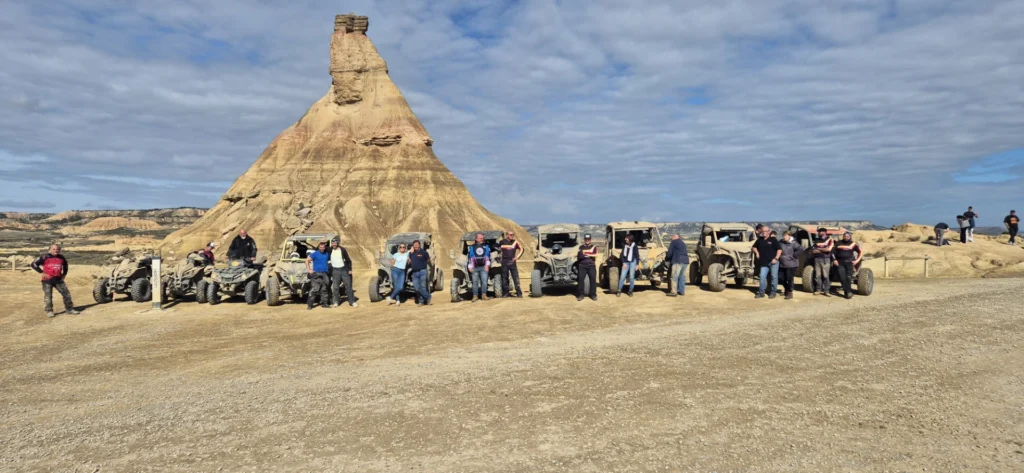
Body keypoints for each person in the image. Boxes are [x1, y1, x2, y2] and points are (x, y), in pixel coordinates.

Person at [31, 244, 80, 318]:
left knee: (66, 294)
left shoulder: (61, 257)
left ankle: (69, 309)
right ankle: (49, 311)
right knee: (48, 296)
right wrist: (42, 272)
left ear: (59, 250)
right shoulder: (44, 257)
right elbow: (33, 264)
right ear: (50, 249)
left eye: (57, 249)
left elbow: (65, 265)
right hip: (47, 280)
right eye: (54, 249)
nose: (55, 250)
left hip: (58, 280)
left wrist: (64, 274)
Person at [752, 226, 781, 299]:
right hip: (763, 263)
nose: (764, 232)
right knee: (762, 277)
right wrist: (757, 253)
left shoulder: (773, 239)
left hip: (773, 262)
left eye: (766, 231)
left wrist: (776, 258)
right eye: (763, 231)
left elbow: (779, 249)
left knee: (774, 277)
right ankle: (761, 293)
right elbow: (754, 247)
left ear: (769, 231)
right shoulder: (760, 240)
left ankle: (773, 292)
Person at [832, 232, 862, 299]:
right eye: (844, 236)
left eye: (847, 236)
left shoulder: (853, 244)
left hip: (849, 263)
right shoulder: (838, 243)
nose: (846, 237)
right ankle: (848, 292)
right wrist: (834, 260)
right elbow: (832, 252)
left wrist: (856, 260)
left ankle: (847, 293)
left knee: (848, 278)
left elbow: (860, 252)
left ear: (850, 237)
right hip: (840, 263)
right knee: (842, 278)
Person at [329, 237, 356, 308]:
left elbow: (348, 260)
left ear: (337, 243)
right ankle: (336, 302)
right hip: (335, 270)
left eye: (335, 243)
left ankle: (352, 301)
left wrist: (349, 269)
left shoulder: (342, 250)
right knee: (335, 287)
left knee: (348, 286)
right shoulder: (329, 250)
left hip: (344, 270)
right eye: (332, 243)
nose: (334, 244)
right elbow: (321, 249)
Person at [305, 240, 331, 310]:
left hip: (324, 274)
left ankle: (324, 303)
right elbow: (307, 260)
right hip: (316, 274)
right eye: (321, 247)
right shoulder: (315, 254)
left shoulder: (327, 254)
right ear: (319, 247)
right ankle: (310, 305)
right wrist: (309, 269)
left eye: (323, 247)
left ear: (325, 247)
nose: (322, 248)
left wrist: (325, 240)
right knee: (315, 290)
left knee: (324, 289)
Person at [498, 231, 525, 298]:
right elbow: (497, 246)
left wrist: (517, 257)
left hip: (512, 262)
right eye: (510, 235)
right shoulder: (502, 242)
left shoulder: (515, 242)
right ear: (507, 235)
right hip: (504, 262)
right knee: (505, 278)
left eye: (513, 234)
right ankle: (506, 293)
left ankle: (519, 293)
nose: (512, 236)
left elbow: (521, 249)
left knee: (515, 278)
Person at [778, 231, 803, 300]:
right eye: (783, 235)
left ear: (789, 236)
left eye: (785, 235)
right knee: (781, 278)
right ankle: (786, 289)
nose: (784, 237)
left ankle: (789, 292)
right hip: (782, 263)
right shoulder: (781, 242)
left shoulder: (793, 243)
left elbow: (800, 249)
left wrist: (794, 256)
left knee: (789, 279)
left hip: (791, 264)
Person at [467, 233, 491, 302]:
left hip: (484, 267)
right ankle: (475, 296)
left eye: (482, 238)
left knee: (484, 281)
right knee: (475, 282)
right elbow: (469, 257)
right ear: (476, 239)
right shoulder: (471, 247)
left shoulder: (486, 246)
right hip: (474, 267)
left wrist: (487, 265)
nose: (482, 239)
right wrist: (470, 266)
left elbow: (488, 257)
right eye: (480, 238)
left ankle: (484, 295)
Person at [810, 227, 834, 296]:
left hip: (825, 259)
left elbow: (828, 249)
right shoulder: (817, 240)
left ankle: (826, 290)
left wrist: (819, 249)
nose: (818, 233)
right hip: (817, 259)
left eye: (820, 232)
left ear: (824, 232)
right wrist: (823, 249)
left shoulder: (830, 239)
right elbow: (813, 250)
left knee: (825, 275)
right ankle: (818, 289)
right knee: (817, 275)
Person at [408, 240, 432, 305]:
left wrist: (422, 265)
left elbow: (428, 260)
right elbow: (409, 261)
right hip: (415, 272)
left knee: (423, 286)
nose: (415, 246)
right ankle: (428, 296)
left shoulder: (424, 252)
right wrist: (409, 253)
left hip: (422, 271)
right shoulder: (411, 253)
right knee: (416, 287)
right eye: (414, 245)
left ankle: (421, 301)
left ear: (419, 245)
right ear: (412, 246)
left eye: (417, 244)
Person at [576, 234, 599, 301]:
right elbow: (580, 256)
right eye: (586, 239)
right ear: (584, 240)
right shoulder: (581, 247)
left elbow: (596, 254)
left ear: (590, 240)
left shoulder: (594, 247)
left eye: (588, 239)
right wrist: (590, 254)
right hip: (582, 266)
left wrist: (585, 253)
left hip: (591, 266)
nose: (587, 240)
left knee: (593, 280)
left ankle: (593, 295)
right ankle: (581, 294)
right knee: (580, 280)